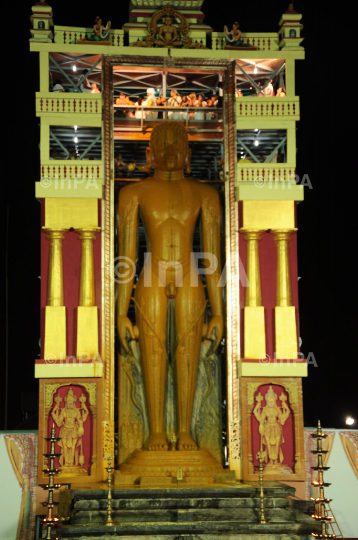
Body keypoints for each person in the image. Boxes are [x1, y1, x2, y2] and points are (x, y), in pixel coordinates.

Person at [117, 122, 223, 451]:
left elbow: (212, 258)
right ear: (149, 153)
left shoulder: (206, 195)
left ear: (188, 154)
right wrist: (122, 313)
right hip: (152, 273)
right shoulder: (133, 193)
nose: (169, 150)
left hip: (190, 276)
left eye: (176, 143)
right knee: (153, 351)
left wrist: (218, 313)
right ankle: (156, 432)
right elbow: (127, 256)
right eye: (161, 144)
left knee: (187, 353)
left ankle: (188, 433)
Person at [51, 387, 89, 468]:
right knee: (64, 447)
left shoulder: (76, 411)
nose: (70, 405)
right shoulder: (64, 411)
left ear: (74, 403)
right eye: (68, 403)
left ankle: (71, 463)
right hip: (64, 430)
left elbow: (80, 421)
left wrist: (85, 410)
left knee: (73, 447)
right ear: (66, 403)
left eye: (71, 403)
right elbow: (58, 423)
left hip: (74, 431)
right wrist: (54, 411)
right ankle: (66, 463)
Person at [253, 386, 290, 466]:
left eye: (272, 401)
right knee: (268, 445)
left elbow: (282, 420)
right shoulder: (265, 410)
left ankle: (276, 461)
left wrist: (287, 409)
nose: (271, 403)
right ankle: (270, 461)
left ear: (275, 400)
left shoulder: (277, 409)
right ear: (267, 401)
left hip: (277, 428)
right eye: (269, 401)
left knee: (277, 445)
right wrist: (257, 407)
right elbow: (261, 419)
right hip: (267, 428)